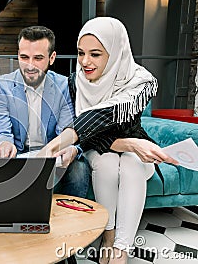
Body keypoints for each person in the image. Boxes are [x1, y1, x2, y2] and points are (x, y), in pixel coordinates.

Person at [38, 17, 178, 263]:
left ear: (115, 52)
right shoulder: (75, 82)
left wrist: (132, 145)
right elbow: (91, 134)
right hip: (101, 147)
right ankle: (109, 235)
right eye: (81, 53)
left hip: (135, 145)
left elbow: (104, 115)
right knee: (108, 165)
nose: (85, 62)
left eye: (95, 54)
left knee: (132, 167)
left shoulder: (141, 82)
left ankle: (121, 249)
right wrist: (128, 144)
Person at [0, 25, 90, 198]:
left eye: (38, 58)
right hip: (18, 154)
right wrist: (4, 145)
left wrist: (68, 150)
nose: (30, 66)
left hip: (51, 154)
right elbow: (1, 131)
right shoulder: (3, 85)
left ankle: (71, 220)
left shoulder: (64, 85)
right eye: (24, 57)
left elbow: (67, 130)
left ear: (52, 58)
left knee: (79, 169)